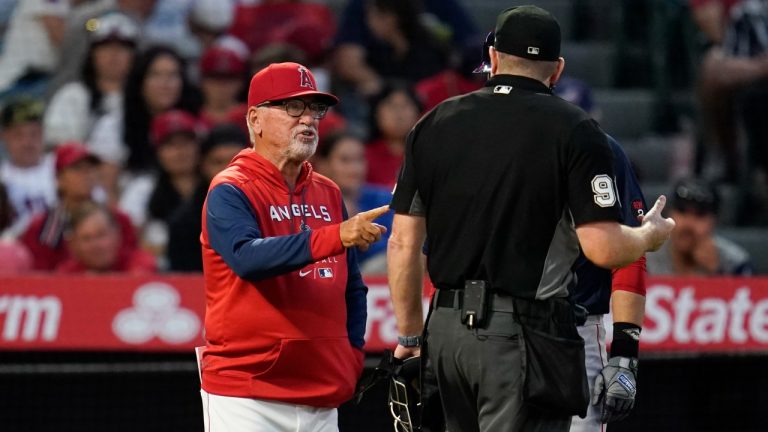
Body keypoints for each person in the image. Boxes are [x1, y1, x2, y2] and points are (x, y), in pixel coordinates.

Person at [386, 6, 675, 431]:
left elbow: (402, 244)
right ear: (556, 69)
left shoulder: (435, 122)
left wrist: (411, 338)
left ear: (495, 57)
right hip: (526, 331)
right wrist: (649, 235)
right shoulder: (577, 130)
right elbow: (605, 249)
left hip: (445, 329)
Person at [198, 62, 389, 431]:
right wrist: (335, 236)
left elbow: (352, 285)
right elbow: (246, 257)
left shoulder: (328, 191)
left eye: (314, 109)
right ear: (255, 119)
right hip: (248, 395)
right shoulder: (230, 188)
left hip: (321, 391)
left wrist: (351, 353)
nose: (308, 119)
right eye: (292, 107)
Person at [44, 11, 139, 199]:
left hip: (134, 184)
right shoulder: (73, 95)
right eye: (105, 48)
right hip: (83, 185)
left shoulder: (145, 97)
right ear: (92, 54)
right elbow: (60, 150)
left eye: (122, 48)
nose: (114, 55)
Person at [21, 141, 137, 270]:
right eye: (77, 168)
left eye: (91, 168)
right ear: (59, 179)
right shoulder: (45, 226)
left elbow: (132, 259)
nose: (86, 175)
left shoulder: (118, 219)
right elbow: (38, 273)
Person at [315, 131, 393, 273]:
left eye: (360, 159)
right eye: (345, 160)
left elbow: (396, 250)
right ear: (323, 164)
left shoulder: (384, 199)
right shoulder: (310, 203)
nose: (355, 169)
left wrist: (362, 232)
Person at [647, 177, 752, 276]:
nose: (688, 223)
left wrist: (717, 274)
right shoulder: (644, 259)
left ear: (714, 221)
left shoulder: (735, 264)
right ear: (669, 213)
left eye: (700, 215)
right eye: (682, 211)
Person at [0, 97, 57, 237]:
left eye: (34, 134)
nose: (27, 142)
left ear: (44, 133)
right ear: (4, 136)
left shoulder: (63, 168)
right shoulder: (2, 179)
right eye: (18, 135)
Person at [57, 201, 156, 273]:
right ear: (73, 244)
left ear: (117, 235)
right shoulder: (66, 275)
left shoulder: (140, 264)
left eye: (101, 235)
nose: (95, 245)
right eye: (86, 238)